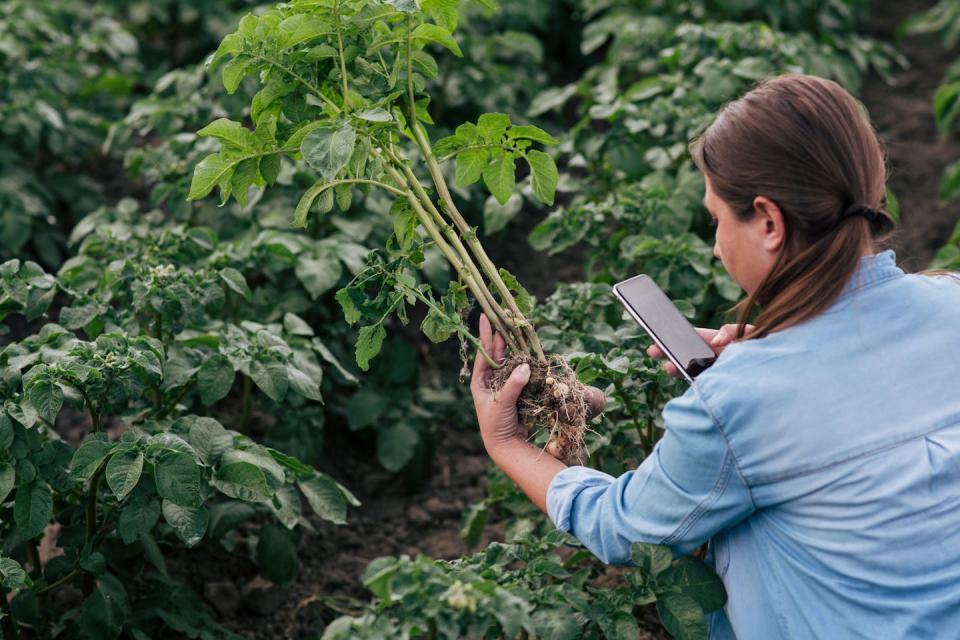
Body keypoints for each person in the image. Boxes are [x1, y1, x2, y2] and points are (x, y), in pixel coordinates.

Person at [470, 72, 960, 639]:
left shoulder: (741, 397)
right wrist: (769, 351)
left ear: (769, 223)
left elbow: (623, 531)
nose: (715, 242)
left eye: (717, 219)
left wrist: (505, 443)